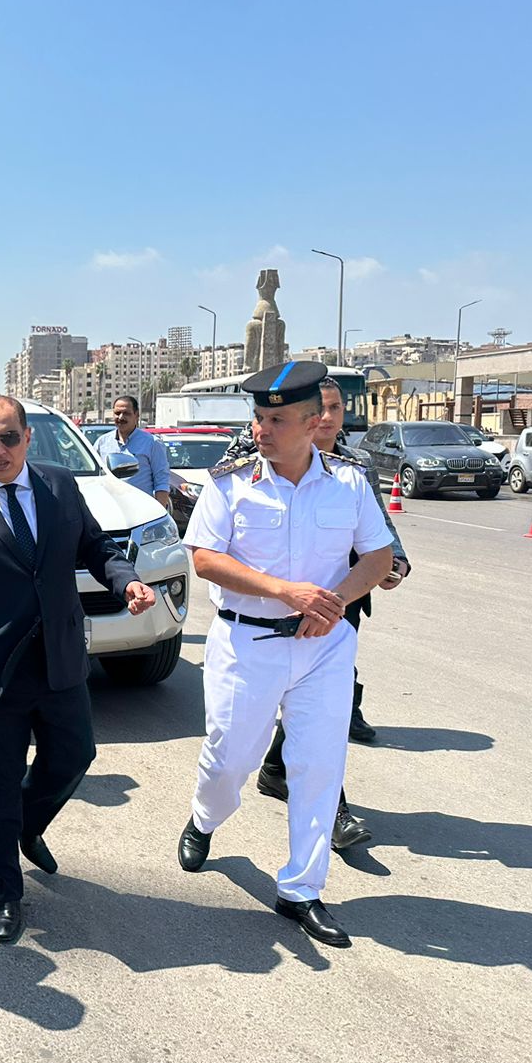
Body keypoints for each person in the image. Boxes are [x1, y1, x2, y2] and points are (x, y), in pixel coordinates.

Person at [0, 395, 155, 943]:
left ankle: (26, 825)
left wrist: (127, 581)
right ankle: (5, 891)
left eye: (8, 438)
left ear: (26, 438)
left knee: (75, 755)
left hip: (58, 656)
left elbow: (95, 546)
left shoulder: (59, 485)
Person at [176, 361, 392, 950]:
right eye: (258, 418)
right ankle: (205, 818)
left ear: (312, 422)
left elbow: (379, 557)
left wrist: (334, 603)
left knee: (319, 767)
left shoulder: (348, 483)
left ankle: (301, 888)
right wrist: (284, 591)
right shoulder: (231, 482)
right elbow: (205, 559)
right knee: (230, 761)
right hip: (247, 643)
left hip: (324, 647)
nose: (261, 430)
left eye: (276, 420)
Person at [255, 376, 412, 850]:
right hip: (276, 607)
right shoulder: (260, 455)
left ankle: (327, 804)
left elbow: (380, 527)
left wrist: (396, 562)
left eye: (336, 409)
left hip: (342, 601)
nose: (327, 418)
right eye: (320, 408)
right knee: (294, 698)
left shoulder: (357, 466)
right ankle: (275, 773)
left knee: (325, 707)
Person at [93, 395, 171, 511]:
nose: (121, 417)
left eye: (126, 413)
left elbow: (162, 481)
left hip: (141, 511)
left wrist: (160, 512)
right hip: (109, 509)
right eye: (117, 413)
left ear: (136, 415)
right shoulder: (102, 443)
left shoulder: (152, 443)